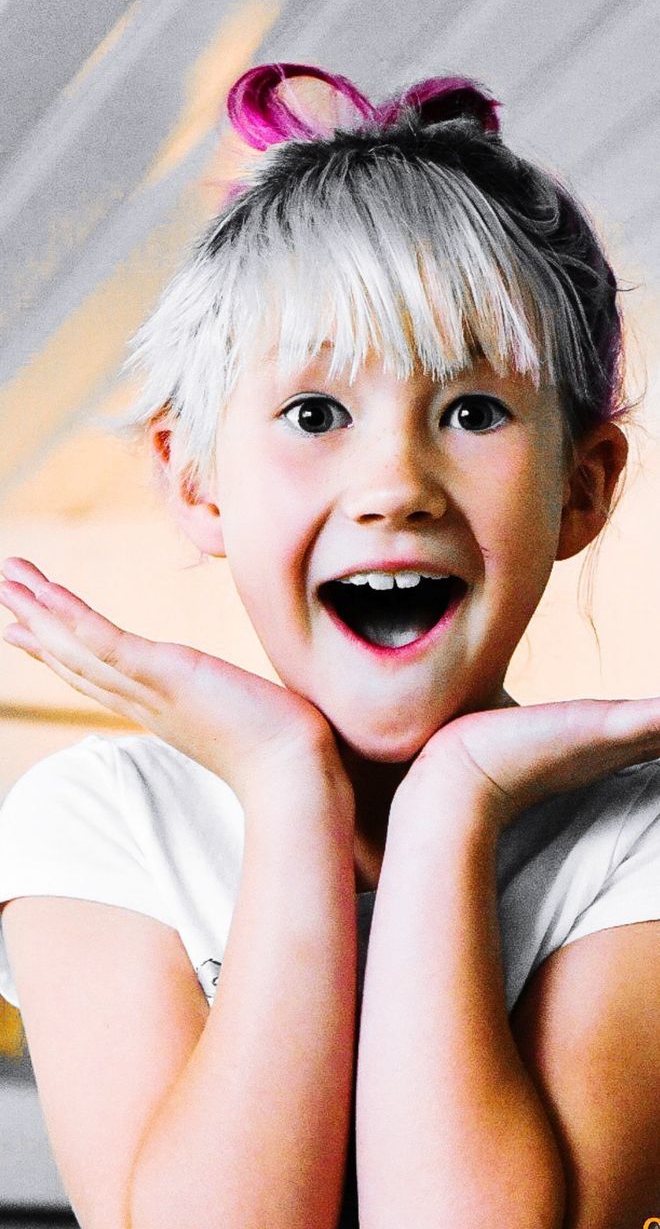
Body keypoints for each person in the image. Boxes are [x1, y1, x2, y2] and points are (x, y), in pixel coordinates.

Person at [0, 61, 658, 1229]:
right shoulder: (101, 816)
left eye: (474, 411)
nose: (396, 486)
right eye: (315, 415)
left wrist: (457, 800)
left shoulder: (637, 838)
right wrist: (284, 783)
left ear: (583, 486)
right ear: (194, 479)